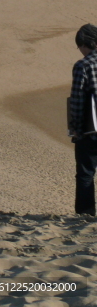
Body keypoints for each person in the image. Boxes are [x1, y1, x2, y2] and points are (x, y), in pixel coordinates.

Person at [70, 24, 97, 215]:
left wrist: (75, 129)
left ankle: (86, 216)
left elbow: (78, 99)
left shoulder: (83, 65)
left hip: (92, 129)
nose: (80, 50)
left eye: (80, 46)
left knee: (86, 174)